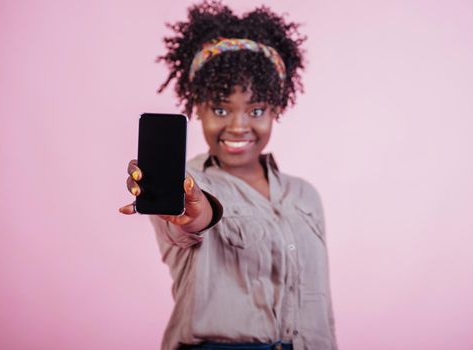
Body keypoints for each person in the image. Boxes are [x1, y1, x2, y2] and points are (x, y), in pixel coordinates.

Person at [119, 1, 337, 349]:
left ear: (276, 108)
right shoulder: (188, 182)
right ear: (198, 107)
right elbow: (192, 220)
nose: (238, 126)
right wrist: (191, 212)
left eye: (257, 109)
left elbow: (321, 308)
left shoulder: (305, 196)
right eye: (221, 108)